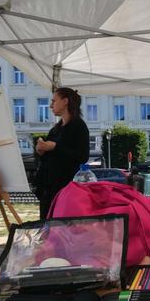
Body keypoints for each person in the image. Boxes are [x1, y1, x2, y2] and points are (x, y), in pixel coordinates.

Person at [34, 88, 90, 219]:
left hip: (65, 189)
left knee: (62, 229)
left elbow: (82, 156)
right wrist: (41, 151)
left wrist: (55, 147)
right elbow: (49, 157)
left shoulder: (78, 126)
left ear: (65, 101)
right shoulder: (55, 129)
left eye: (54, 100)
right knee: (48, 229)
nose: (50, 105)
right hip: (48, 189)